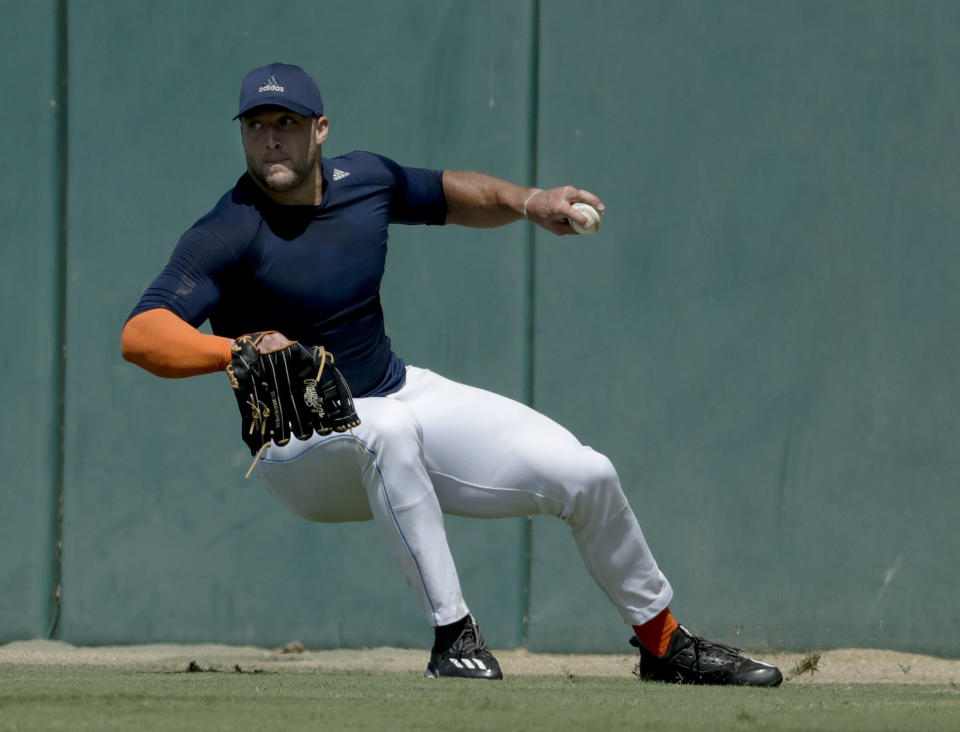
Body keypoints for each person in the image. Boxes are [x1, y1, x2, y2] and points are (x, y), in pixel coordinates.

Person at [121, 62, 783, 686]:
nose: (271, 140)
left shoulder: (366, 183)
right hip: (298, 447)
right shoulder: (228, 229)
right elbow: (141, 333)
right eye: (256, 126)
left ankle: (665, 643)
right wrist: (233, 351)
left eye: (286, 123)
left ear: (320, 130)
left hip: (393, 393)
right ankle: (454, 637)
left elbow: (448, 194)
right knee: (388, 430)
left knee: (586, 473)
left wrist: (529, 201)